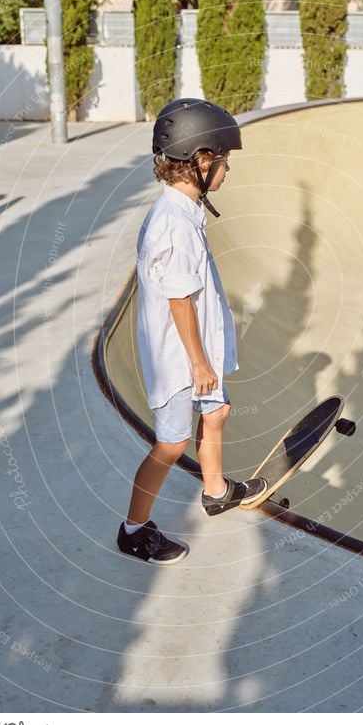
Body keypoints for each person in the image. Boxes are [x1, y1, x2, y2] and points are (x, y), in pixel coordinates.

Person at [117, 98, 267, 564]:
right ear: (200, 160)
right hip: (181, 355)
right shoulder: (174, 225)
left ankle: (217, 490)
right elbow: (179, 301)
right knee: (171, 443)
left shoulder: (182, 212)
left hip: (196, 346)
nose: (226, 171)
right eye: (223, 162)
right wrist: (200, 363)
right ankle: (133, 529)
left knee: (216, 412)